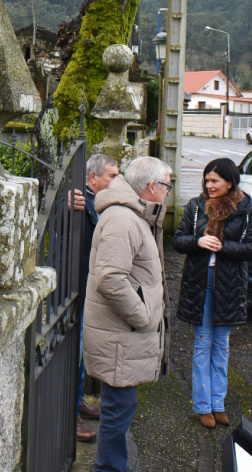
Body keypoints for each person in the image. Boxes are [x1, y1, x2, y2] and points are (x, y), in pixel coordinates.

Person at [83, 156, 171, 472]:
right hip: (121, 337)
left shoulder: (134, 216)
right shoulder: (124, 219)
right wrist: (143, 316)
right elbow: (110, 278)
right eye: (167, 185)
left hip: (122, 338)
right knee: (118, 411)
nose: (168, 192)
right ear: (152, 186)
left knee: (120, 409)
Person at [172, 158, 252, 429]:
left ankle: (218, 403)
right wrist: (197, 241)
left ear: (230, 182)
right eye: (207, 180)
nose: (209, 185)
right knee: (202, 343)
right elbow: (177, 240)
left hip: (229, 285)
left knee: (221, 345)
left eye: (215, 181)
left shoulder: (244, 208)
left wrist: (224, 247)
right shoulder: (196, 206)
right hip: (200, 284)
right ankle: (202, 405)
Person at [72, 154, 119, 442]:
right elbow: (60, 215)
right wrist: (66, 203)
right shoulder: (79, 199)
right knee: (73, 352)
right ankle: (69, 414)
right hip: (75, 285)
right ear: (93, 177)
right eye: (112, 175)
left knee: (82, 353)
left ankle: (77, 400)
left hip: (91, 288)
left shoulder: (104, 202)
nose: (116, 180)